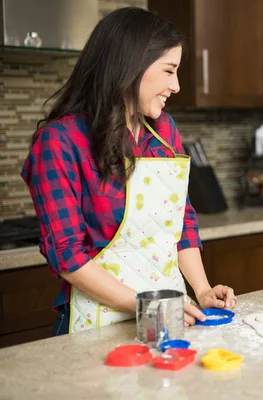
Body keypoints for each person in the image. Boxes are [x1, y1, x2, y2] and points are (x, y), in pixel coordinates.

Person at [21, 7, 235, 336]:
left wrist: (203, 290)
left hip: (168, 314)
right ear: (131, 66)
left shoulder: (163, 132)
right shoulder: (60, 141)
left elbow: (182, 222)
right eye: (168, 71)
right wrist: (148, 305)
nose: (176, 86)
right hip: (94, 322)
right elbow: (67, 255)